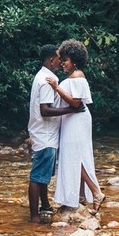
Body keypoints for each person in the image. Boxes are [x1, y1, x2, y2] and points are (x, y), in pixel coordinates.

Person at [28, 43, 84, 223]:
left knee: (44, 174)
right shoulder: (46, 80)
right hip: (44, 134)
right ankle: (35, 217)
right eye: (59, 58)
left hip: (44, 132)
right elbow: (45, 110)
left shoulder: (43, 76)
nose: (61, 62)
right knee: (37, 176)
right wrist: (71, 110)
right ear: (52, 59)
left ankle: (45, 205)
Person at [48, 39, 105, 213]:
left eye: (65, 60)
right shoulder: (73, 77)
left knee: (76, 156)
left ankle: (96, 192)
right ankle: (79, 197)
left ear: (74, 60)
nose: (63, 63)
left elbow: (75, 102)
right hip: (72, 120)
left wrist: (57, 88)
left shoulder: (78, 76)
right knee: (75, 155)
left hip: (77, 120)